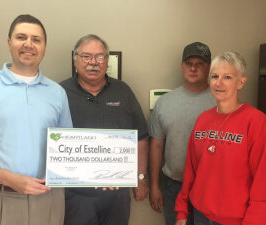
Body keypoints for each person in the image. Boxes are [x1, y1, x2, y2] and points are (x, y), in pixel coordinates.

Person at [0, 14, 73, 225]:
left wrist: (100, 177)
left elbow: (70, 152)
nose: (28, 44)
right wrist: (11, 180)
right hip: (1, 198)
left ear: (44, 47)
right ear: (9, 43)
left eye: (36, 39)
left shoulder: (57, 92)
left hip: (50, 198)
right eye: (21, 37)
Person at [60, 34, 149, 225]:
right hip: (76, 195)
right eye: (86, 56)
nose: (93, 62)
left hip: (117, 193)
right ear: (76, 60)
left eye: (100, 56)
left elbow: (141, 137)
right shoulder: (59, 93)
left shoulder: (123, 91)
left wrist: (140, 178)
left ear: (107, 61)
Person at [175, 52, 266, 225]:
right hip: (199, 214)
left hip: (237, 220)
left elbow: (263, 182)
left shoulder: (256, 122)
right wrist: (182, 211)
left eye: (227, 77)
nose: (219, 83)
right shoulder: (203, 119)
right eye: (215, 76)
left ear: (241, 82)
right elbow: (191, 170)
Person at [148, 42, 215, 225]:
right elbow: (156, 145)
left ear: (209, 67)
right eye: (188, 63)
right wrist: (154, 185)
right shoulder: (165, 102)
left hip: (212, 189)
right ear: (181, 66)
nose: (193, 68)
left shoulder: (221, 101)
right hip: (174, 186)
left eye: (200, 63)